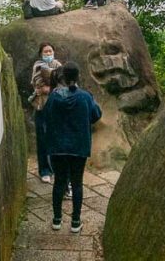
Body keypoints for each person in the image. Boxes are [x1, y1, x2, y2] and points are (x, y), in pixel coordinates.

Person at [44, 61, 102, 233]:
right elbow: (96, 115)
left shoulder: (55, 96)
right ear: (78, 77)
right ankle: (75, 222)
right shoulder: (85, 96)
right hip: (79, 146)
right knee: (77, 183)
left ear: (62, 76)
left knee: (59, 182)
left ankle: (56, 220)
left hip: (57, 146)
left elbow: (46, 115)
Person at [30, 42, 62, 183]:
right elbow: (37, 82)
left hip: (56, 107)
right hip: (41, 106)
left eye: (50, 51)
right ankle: (44, 170)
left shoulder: (59, 66)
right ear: (41, 54)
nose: (48, 54)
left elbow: (63, 83)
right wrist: (46, 88)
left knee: (56, 138)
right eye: (46, 52)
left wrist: (51, 88)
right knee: (42, 139)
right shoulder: (37, 66)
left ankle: (56, 168)